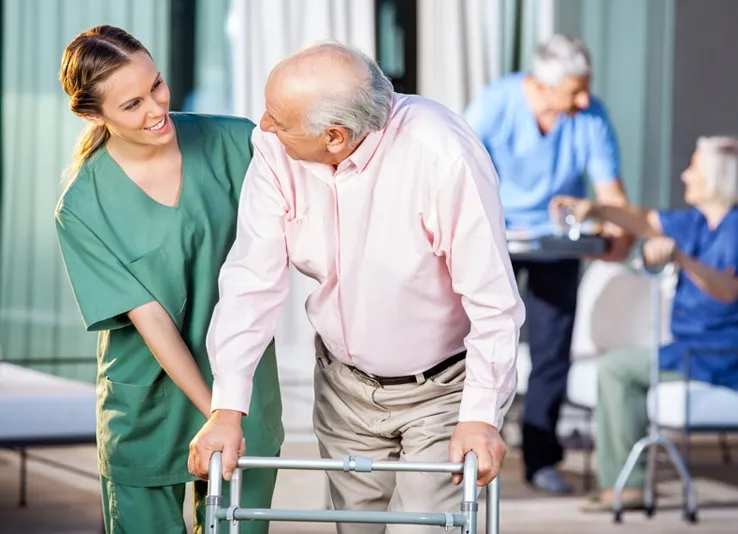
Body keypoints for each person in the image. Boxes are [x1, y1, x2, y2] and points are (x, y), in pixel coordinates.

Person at [187, 41, 525, 533]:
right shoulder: (276, 151)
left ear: (335, 137)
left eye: (278, 119)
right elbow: (250, 283)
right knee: (353, 527)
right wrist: (226, 407)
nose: (263, 126)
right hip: (343, 384)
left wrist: (480, 415)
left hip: (440, 388)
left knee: (424, 527)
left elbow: (493, 300)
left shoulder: (442, 155)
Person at [54, 25, 283, 534]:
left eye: (156, 85)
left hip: (241, 390)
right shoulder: (83, 207)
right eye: (131, 105)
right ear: (95, 115)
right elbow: (151, 319)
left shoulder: (235, 143)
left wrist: (231, 411)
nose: (157, 109)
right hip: (147, 401)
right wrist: (217, 413)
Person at [551, 136, 738, 511]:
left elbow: (728, 290)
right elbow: (643, 220)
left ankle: (630, 486)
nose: (685, 176)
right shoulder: (698, 221)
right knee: (619, 365)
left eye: (694, 168)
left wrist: (682, 260)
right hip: (695, 349)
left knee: (618, 368)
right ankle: (625, 481)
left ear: (717, 177)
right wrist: (597, 210)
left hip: (732, 353)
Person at [462, 33, 632, 494]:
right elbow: (457, 170)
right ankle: (458, 449)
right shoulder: (497, 102)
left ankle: (539, 458)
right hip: (495, 237)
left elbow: (610, 193)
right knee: (468, 340)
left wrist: (620, 231)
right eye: (574, 89)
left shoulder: (590, 116)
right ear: (540, 84)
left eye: (586, 87)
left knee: (551, 352)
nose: (584, 98)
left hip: (555, 245)